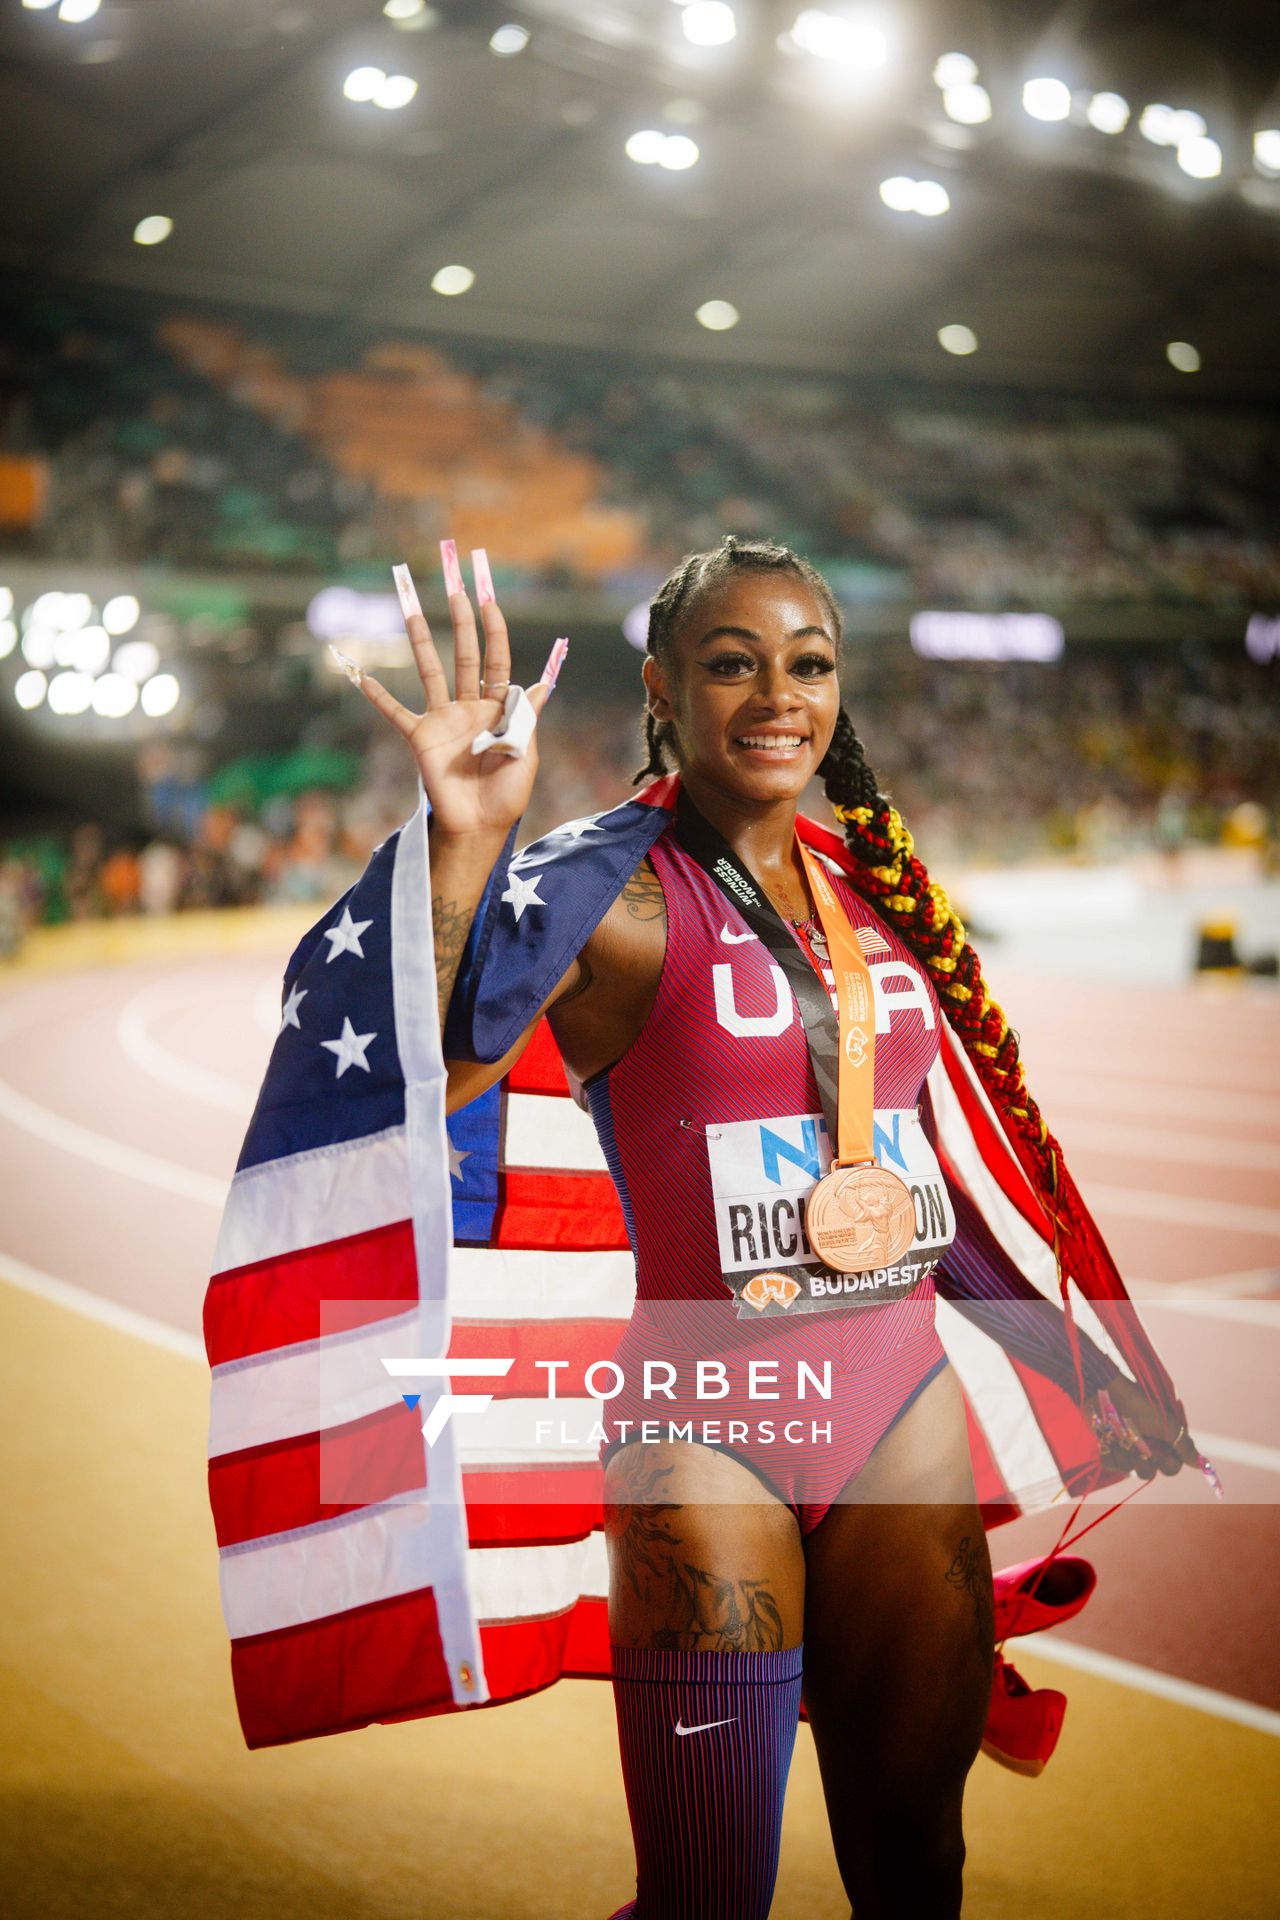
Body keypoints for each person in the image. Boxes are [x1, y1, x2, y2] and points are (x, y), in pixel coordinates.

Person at [355, 534, 1199, 1920]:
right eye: (731, 663)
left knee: (919, 1867)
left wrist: (1071, 1360)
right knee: (707, 1898)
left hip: (902, 1410)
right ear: (662, 689)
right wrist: (462, 838)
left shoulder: (872, 892)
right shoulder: (605, 897)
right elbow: (426, 1069)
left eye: (808, 663)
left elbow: (909, 1171)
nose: (776, 695)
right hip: (707, 1431)